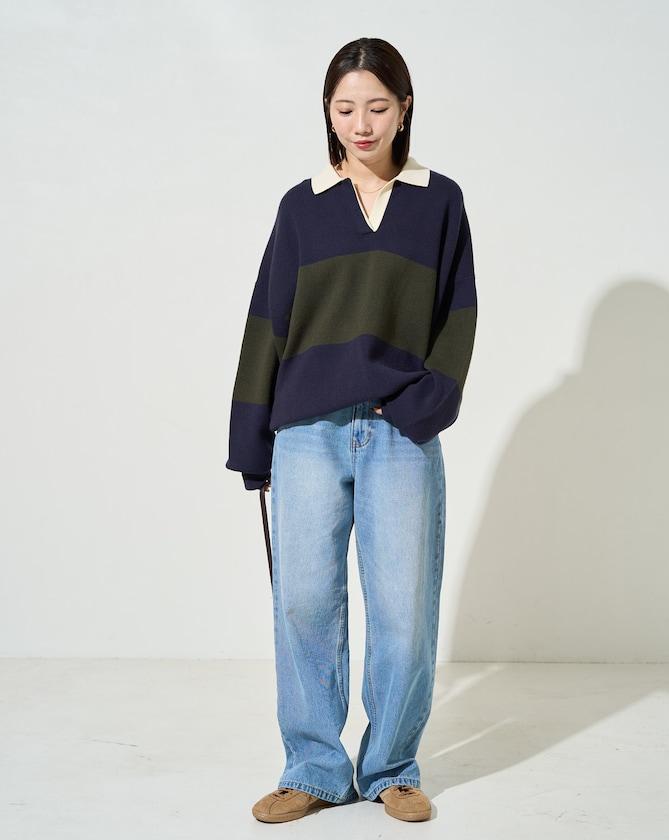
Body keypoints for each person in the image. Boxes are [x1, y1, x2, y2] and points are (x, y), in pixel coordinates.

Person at [225, 37, 478, 823]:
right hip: (306, 434)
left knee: (404, 610)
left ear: (405, 108)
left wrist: (424, 407)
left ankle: (392, 767)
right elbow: (267, 322)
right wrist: (252, 440)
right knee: (303, 605)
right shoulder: (302, 205)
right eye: (344, 109)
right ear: (327, 114)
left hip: (400, 433)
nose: (361, 125)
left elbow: (459, 316)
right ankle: (313, 768)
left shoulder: (439, 201)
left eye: (376, 107)